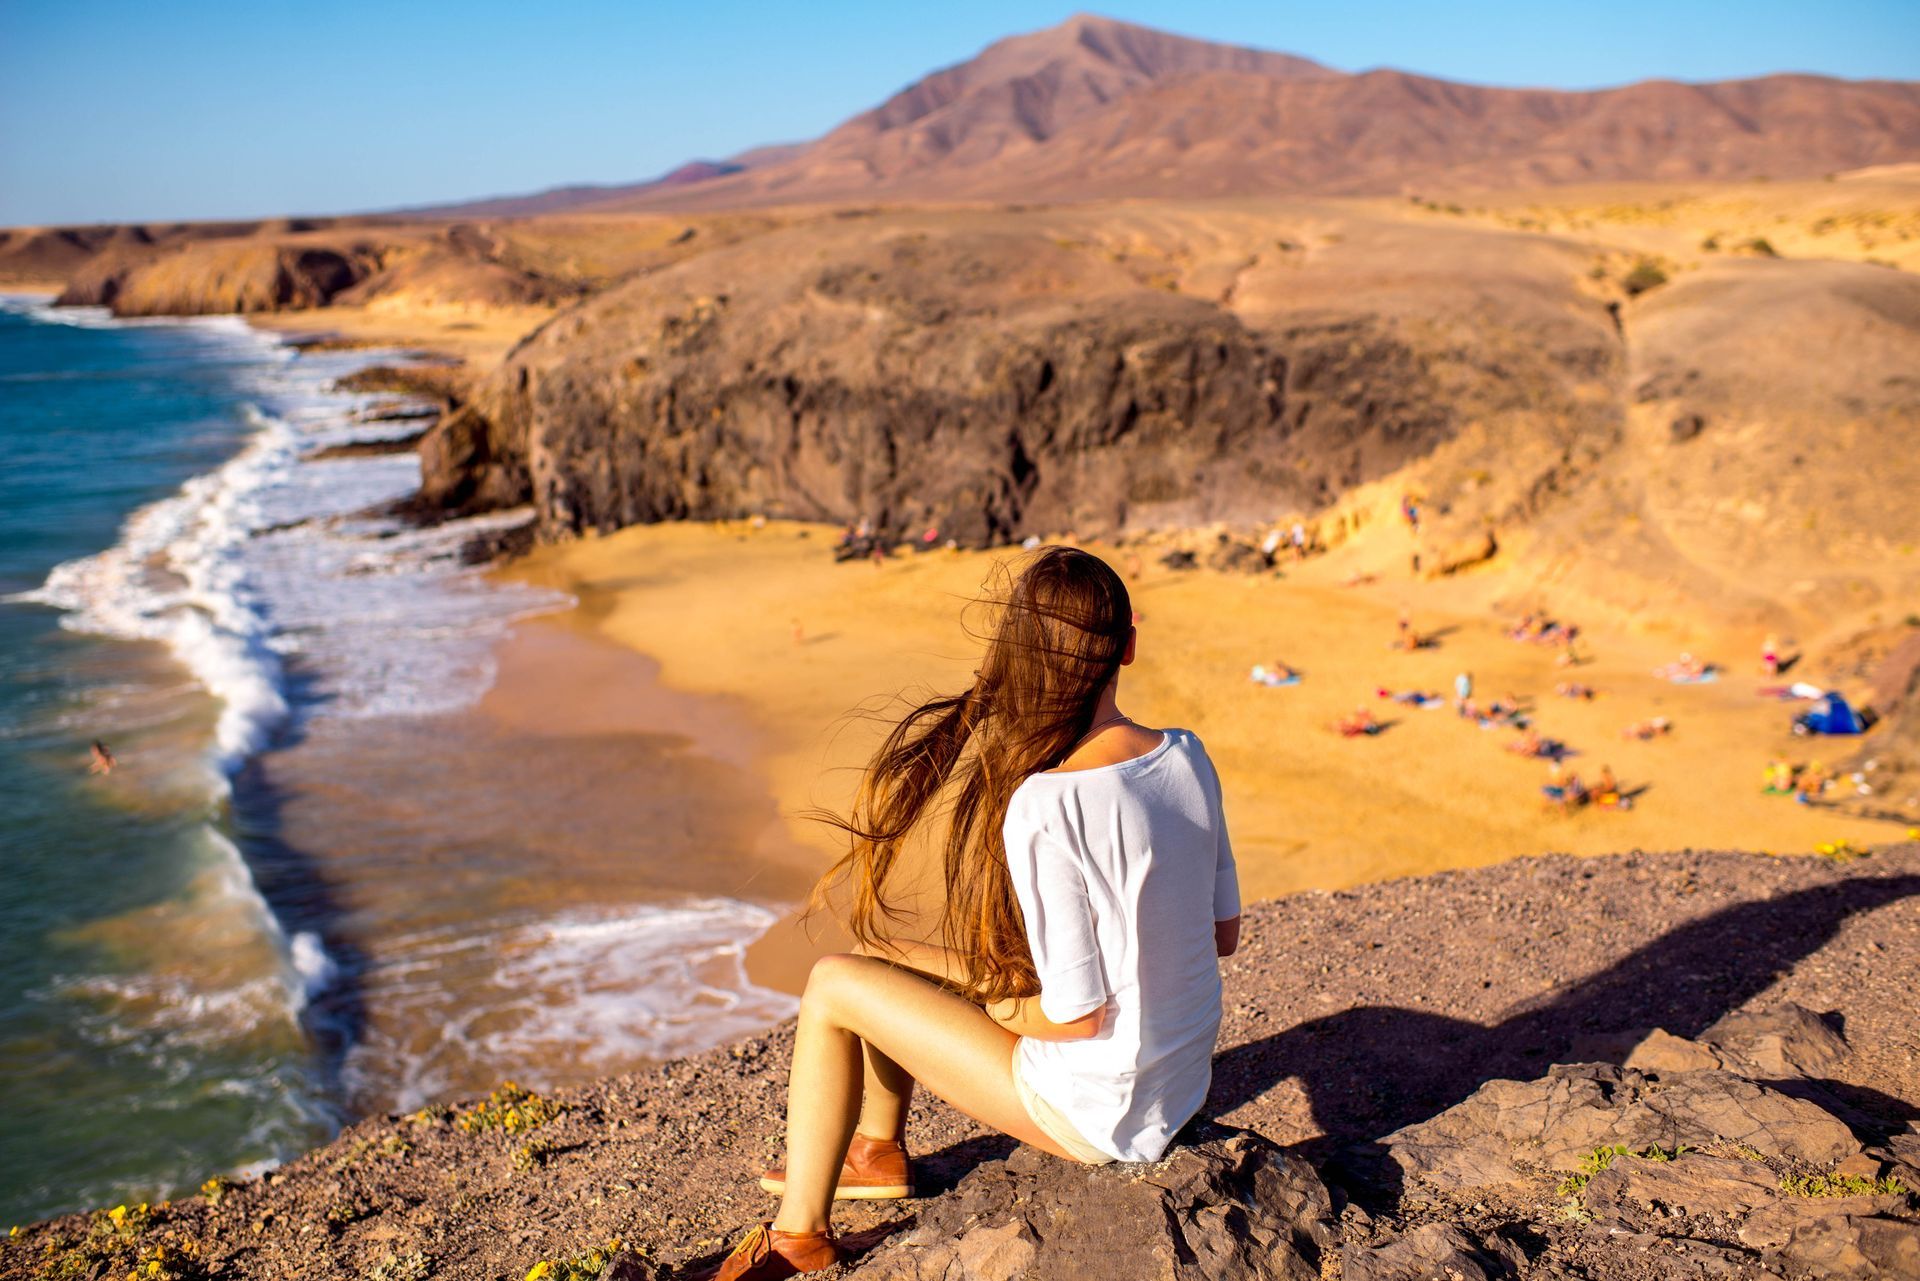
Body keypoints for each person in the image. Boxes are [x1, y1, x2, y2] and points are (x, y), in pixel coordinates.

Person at [708, 548, 1240, 1280]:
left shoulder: (1046, 804)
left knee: (834, 983)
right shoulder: (1188, 755)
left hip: (1099, 1109)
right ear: (1129, 645)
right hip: (1178, 1083)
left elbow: (1073, 1019)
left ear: (1018, 658)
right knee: (899, 964)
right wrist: (949, 970)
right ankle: (876, 1151)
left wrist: (986, 989)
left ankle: (798, 1234)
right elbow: (1223, 935)